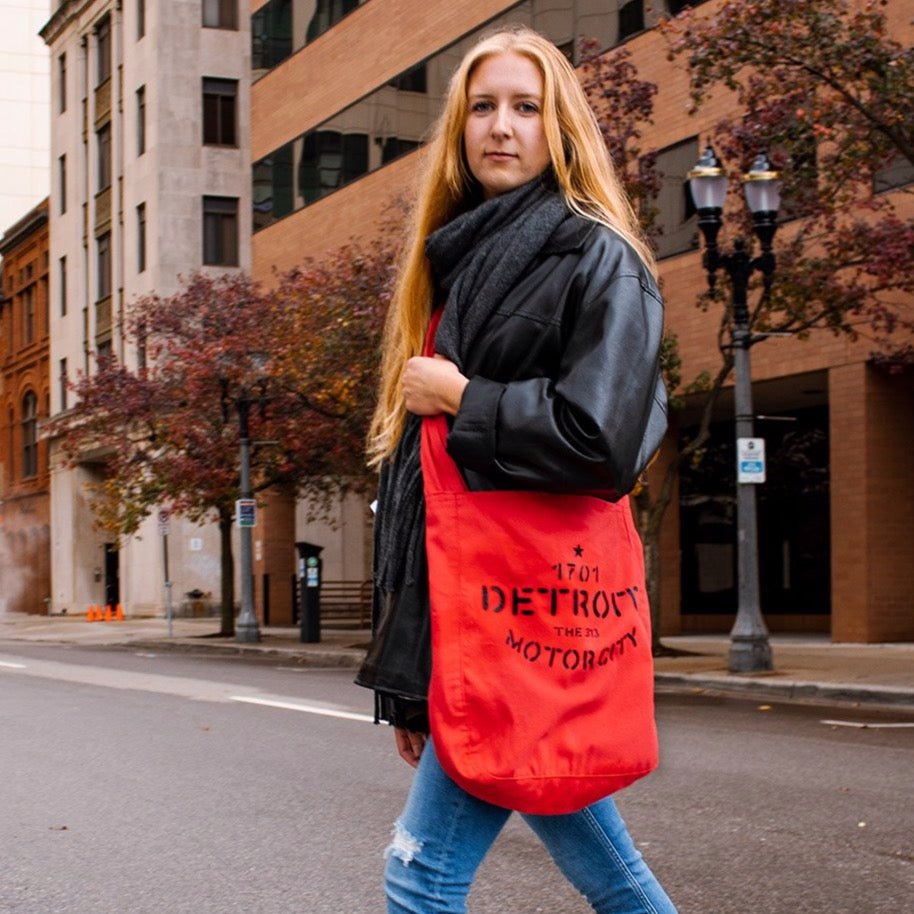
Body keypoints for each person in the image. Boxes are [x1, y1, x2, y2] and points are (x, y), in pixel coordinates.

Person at [355, 24, 676, 914]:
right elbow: (438, 511)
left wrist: (464, 396)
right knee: (612, 878)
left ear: (559, 128)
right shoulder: (460, 267)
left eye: (526, 107)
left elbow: (602, 444)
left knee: (421, 882)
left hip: (530, 625)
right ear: (459, 129)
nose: (503, 125)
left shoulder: (599, 257)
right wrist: (420, 684)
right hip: (498, 630)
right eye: (483, 107)